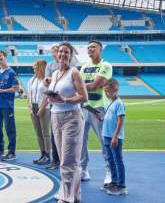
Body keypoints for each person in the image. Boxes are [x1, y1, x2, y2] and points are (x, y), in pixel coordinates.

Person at [47, 42, 88, 203]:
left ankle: (66, 198)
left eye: (66, 52)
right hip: (55, 116)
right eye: (61, 52)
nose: (63, 54)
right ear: (57, 55)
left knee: (68, 160)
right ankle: (74, 196)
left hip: (71, 117)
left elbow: (84, 96)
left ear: (70, 56)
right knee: (65, 159)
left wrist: (64, 99)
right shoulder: (56, 73)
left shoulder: (74, 72)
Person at [79, 40, 113, 183]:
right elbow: (81, 86)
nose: (90, 49)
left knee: (104, 141)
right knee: (81, 141)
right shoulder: (84, 67)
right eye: (88, 48)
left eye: (93, 47)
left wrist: (80, 86)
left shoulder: (105, 65)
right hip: (83, 107)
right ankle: (83, 169)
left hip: (99, 109)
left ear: (100, 49)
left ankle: (110, 171)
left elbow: (95, 85)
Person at [0, 50, 20, 161]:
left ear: (5, 57)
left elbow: (16, 88)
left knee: (10, 129)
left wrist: (2, 91)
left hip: (7, 105)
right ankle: (0, 149)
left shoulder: (11, 72)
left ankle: (12, 152)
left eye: (0, 56)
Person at [101, 78, 128, 196]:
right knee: (111, 160)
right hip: (106, 135)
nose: (107, 94)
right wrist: (100, 117)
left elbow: (120, 121)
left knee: (118, 160)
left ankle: (121, 185)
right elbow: (108, 118)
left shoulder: (119, 103)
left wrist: (115, 137)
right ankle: (114, 181)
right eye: (105, 91)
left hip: (113, 137)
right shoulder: (109, 103)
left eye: (109, 91)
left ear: (116, 90)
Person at [28, 60, 51, 165]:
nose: (34, 68)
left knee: (45, 133)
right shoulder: (32, 80)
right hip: (33, 108)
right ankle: (42, 154)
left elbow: (48, 95)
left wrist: (42, 107)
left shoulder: (46, 80)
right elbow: (29, 94)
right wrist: (29, 106)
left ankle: (47, 155)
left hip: (45, 109)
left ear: (41, 67)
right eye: (33, 66)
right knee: (38, 134)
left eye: (36, 66)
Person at [44, 45, 61, 170]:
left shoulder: (70, 62)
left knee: (67, 135)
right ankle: (55, 159)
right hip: (54, 103)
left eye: (57, 49)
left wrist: (53, 80)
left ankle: (64, 160)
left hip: (68, 103)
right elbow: (46, 82)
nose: (55, 52)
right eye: (53, 50)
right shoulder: (49, 65)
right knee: (54, 132)